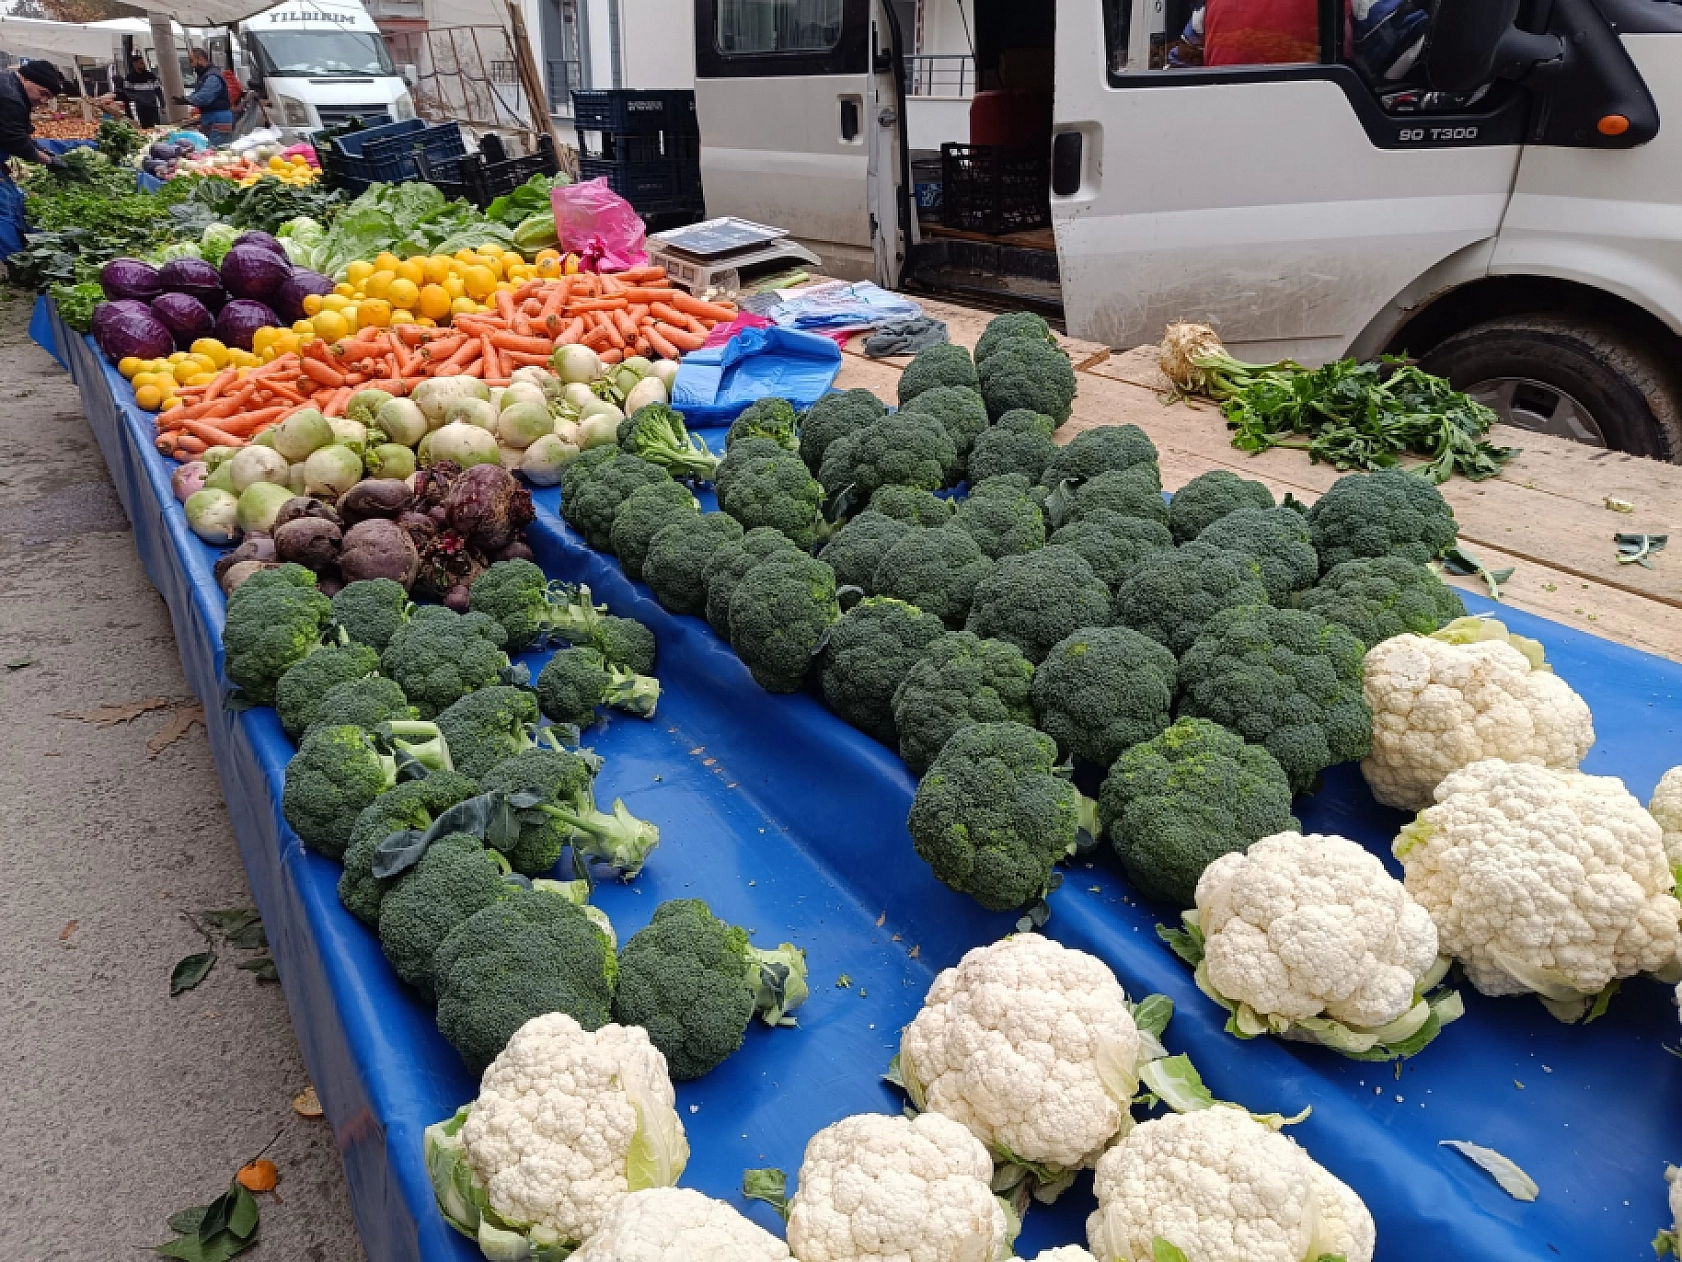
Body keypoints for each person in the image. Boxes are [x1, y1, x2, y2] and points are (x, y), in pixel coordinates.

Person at [0, 61, 73, 171]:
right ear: (25, 78)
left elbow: (16, 132)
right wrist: (48, 160)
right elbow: (17, 142)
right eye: (43, 93)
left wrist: (41, 149)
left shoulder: (9, 83)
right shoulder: (11, 99)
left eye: (48, 98)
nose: (44, 101)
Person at [175, 47, 234, 145]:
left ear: (201, 60)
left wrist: (187, 100)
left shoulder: (212, 76)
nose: (191, 65)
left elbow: (204, 97)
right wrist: (187, 99)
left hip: (219, 119)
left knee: (216, 150)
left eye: (192, 61)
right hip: (211, 118)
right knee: (209, 150)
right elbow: (198, 93)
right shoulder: (205, 75)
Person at [103, 55, 164, 129]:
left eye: (143, 63)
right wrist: (138, 98)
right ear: (135, 64)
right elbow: (127, 92)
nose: (143, 65)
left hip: (153, 106)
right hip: (141, 107)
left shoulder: (151, 76)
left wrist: (162, 105)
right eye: (141, 63)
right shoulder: (130, 78)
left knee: (157, 126)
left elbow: (158, 91)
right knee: (145, 127)